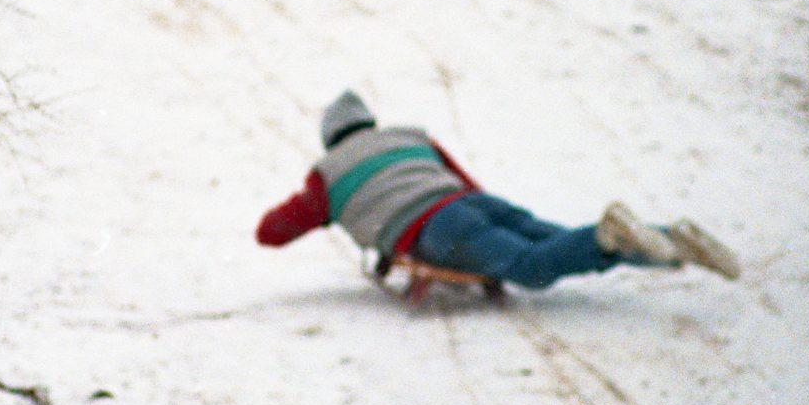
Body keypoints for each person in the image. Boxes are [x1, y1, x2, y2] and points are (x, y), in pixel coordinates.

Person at [255, 91, 738, 290]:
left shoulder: (328, 173)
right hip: (473, 203)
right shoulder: (408, 136)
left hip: (436, 227)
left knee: (529, 269)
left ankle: (613, 237)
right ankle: (671, 240)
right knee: (559, 240)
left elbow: (270, 235)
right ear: (369, 122)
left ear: (330, 138)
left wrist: (324, 205)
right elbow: (463, 179)